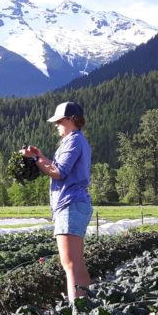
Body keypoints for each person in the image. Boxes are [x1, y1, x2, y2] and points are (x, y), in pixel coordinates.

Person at [21, 101, 93, 304]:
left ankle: (77, 312)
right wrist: (40, 156)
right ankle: (84, 307)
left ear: (71, 120)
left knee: (69, 263)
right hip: (75, 204)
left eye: (59, 121)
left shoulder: (73, 141)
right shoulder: (77, 140)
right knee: (76, 262)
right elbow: (59, 167)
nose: (56, 125)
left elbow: (58, 172)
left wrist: (35, 161)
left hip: (69, 204)